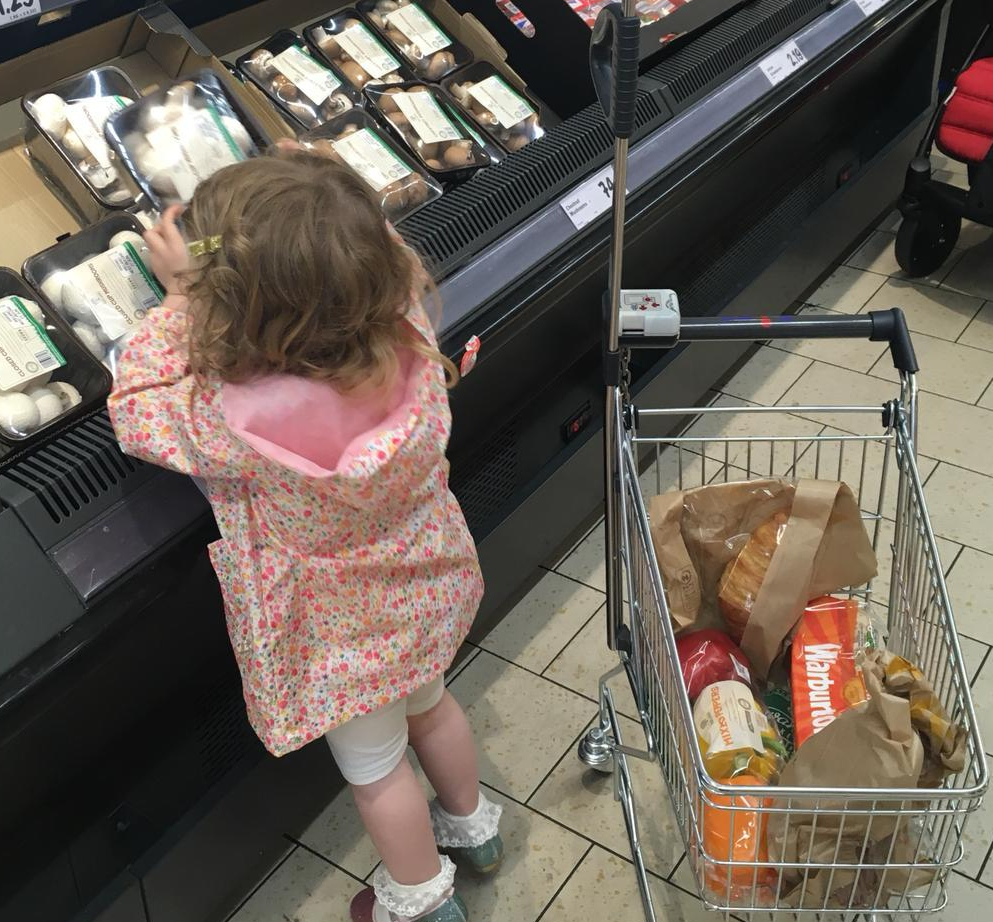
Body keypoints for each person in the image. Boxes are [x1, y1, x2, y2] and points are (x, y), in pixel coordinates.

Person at [107, 148, 501, 922]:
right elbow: (371, 247)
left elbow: (136, 406)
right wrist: (323, 185)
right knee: (434, 707)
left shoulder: (232, 417)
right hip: (425, 588)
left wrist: (178, 296)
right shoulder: (406, 330)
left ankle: (420, 902)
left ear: (235, 305)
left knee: (377, 770)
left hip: (340, 638)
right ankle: (474, 829)